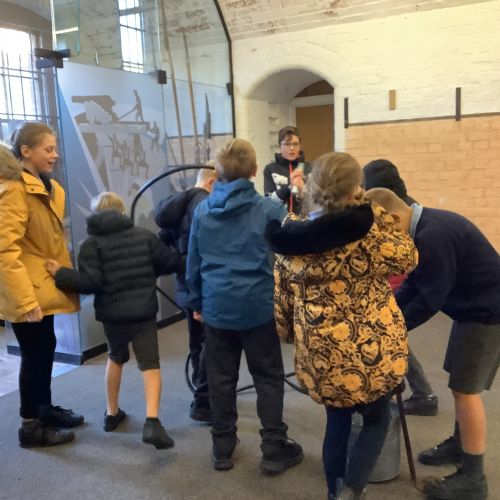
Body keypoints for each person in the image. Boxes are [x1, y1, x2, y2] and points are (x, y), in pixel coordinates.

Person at [266, 152, 418, 500]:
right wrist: (377, 213)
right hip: (372, 350)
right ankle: (353, 490)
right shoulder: (368, 232)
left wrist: (288, 335)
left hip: (322, 352)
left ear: (313, 189)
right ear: (355, 190)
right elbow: (408, 257)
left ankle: (335, 492)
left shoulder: (289, 240)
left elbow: (282, 298)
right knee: (377, 419)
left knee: (337, 421)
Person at [365, 187, 500, 500]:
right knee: (459, 383)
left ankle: (473, 478)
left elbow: (429, 299)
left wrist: (390, 329)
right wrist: (385, 311)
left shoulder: (433, 236)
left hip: (487, 312)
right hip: (470, 309)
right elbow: (415, 284)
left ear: (393, 218)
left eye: (382, 235)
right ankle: (460, 444)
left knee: (466, 391)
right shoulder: (424, 230)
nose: (384, 245)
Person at [186, 138, 303, 474]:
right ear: (254, 171)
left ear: (217, 173)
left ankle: (222, 447)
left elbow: (193, 262)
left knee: (220, 379)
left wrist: (197, 301)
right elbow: (294, 250)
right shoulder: (269, 211)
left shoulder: (202, 211)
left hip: (217, 308)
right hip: (257, 307)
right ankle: (273, 447)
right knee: (268, 377)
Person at [45, 192, 180, 450]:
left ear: (95, 215)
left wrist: (61, 274)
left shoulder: (90, 245)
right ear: (122, 212)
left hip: (112, 315)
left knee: (115, 358)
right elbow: (168, 263)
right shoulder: (143, 236)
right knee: (150, 365)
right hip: (143, 312)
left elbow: (89, 283)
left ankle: (111, 413)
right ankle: (152, 421)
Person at [0, 124, 83, 448]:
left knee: (45, 346)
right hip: (26, 289)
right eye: (48, 149)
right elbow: (5, 251)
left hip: (41, 284)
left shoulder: (45, 187)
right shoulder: (14, 190)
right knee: (34, 355)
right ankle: (30, 426)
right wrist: (24, 301)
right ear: (26, 151)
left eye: (55, 148)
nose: (55, 154)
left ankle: (44, 409)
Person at [363, 159, 438, 416]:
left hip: (398, 278)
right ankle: (422, 392)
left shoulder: (390, 212)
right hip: (399, 278)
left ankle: (420, 393)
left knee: (390, 332)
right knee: (392, 333)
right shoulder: (408, 205)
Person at [154, 164, 218, 423]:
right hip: (203, 285)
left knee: (197, 340)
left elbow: (162, 242)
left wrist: (179, 265)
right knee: (210, 344)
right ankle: (204, 402)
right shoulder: (203, 205)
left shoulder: (176, 206)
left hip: (185, 284)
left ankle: (201, 391)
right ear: (211, 182)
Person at [263, 126, 311, 215]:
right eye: (287, 144)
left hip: (305, 220)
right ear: (280, 146)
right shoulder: (270, 169)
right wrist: (289, 188)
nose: (292, 148)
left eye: (295, 144)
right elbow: (268, 202)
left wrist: (302, 190)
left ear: (300, 146)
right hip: (280, 220)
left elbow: (316, 200)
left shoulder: (310, 168)